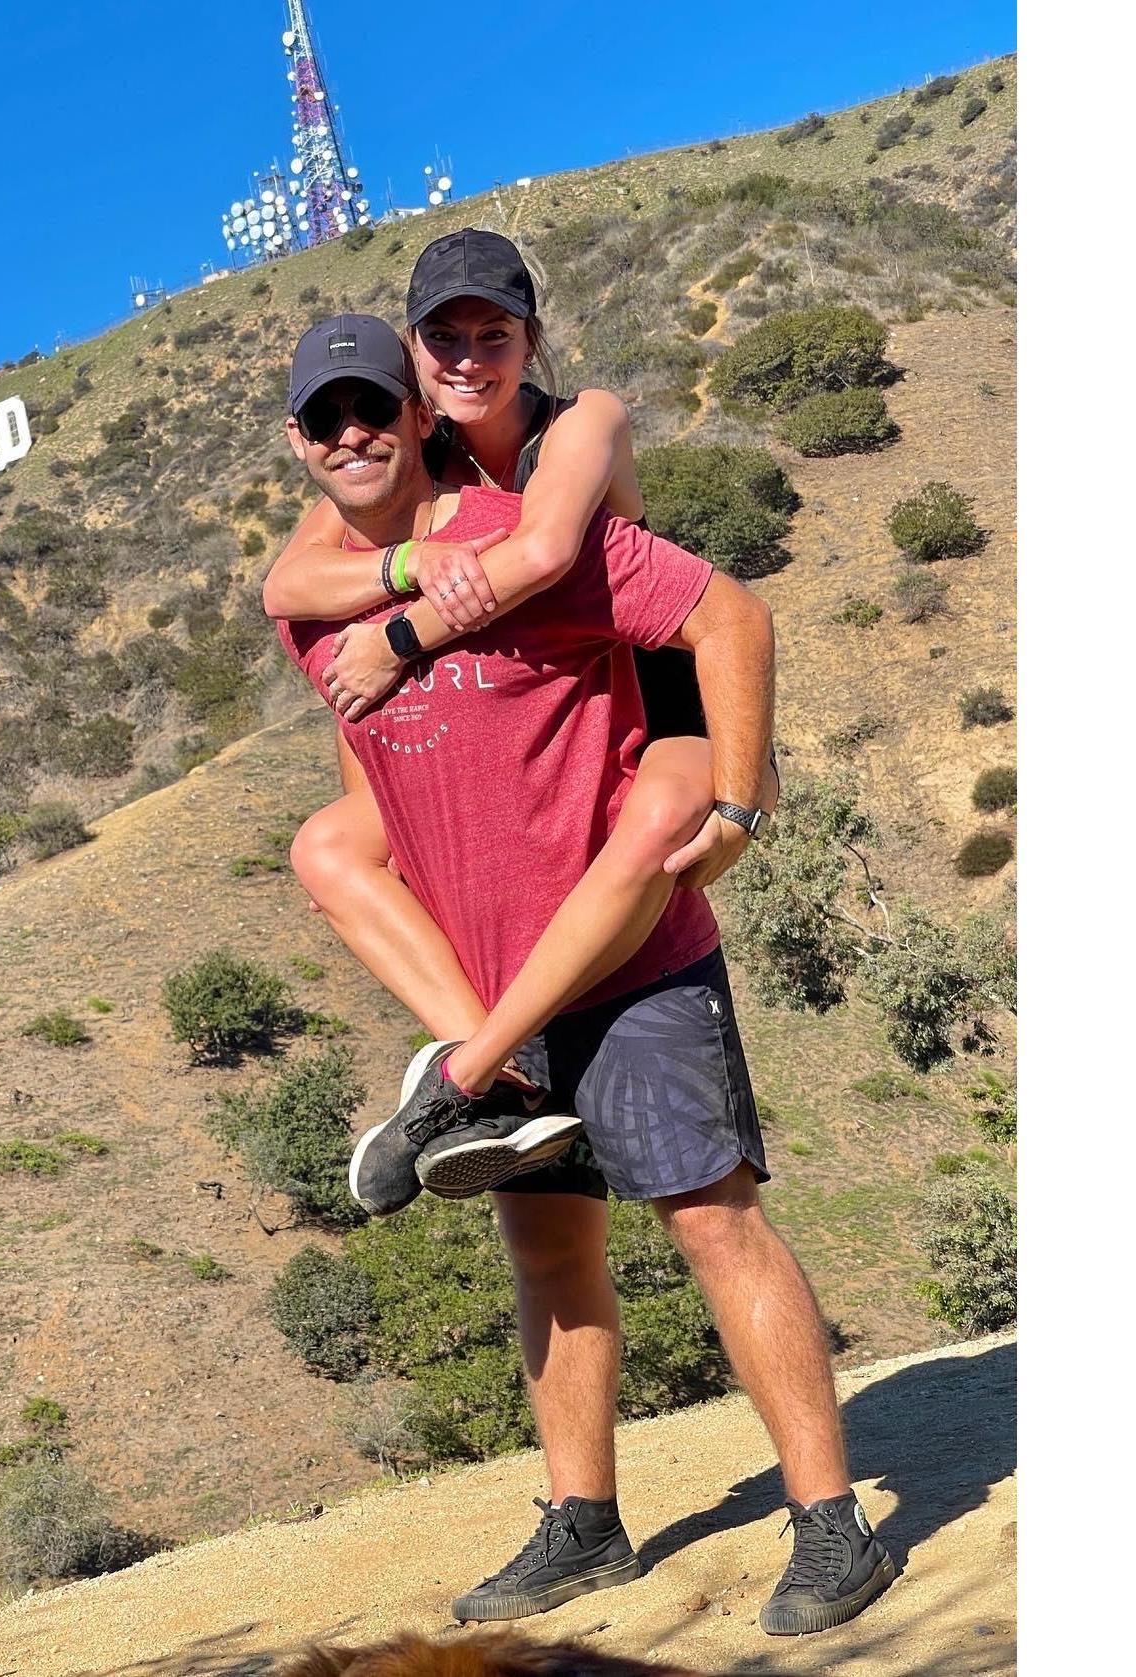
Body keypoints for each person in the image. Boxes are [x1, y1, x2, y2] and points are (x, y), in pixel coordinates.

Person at [272, 310, 894, 1639]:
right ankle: (583, 1525)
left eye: (372, 406)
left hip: (628, 961)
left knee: (712, 1221)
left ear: (421, 414)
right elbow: (361, 756)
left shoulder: (526, 542)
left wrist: (733, 794)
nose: (352, 434)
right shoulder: (317, 601)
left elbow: (722, 616)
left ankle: (834, 1527)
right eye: (324, 421)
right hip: (497, 970)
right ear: (297, 444)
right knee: (550, 1254)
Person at [264, 232, 762, 1206]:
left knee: (660, 822)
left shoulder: (577, 424)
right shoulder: (412, 450)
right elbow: (285, 582)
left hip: (664, 695)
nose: (466, 359)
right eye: (441, 337)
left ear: (530, 344)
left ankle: (459, 1077)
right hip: (572, 692)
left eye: (492, 335)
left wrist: (400, 636)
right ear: (413, 353)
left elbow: (539, 553)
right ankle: (480, 1057)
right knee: (328, 841)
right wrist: (403, 566)